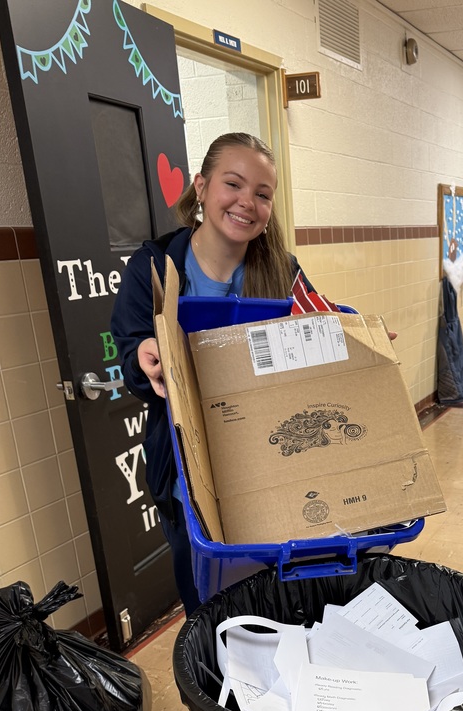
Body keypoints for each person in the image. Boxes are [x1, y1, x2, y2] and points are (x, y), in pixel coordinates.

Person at [111, 132, 318, 614]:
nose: (247, 202)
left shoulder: (283, 271)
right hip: (187, 472)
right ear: (201, 188)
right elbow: (131, 358)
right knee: (209, 607)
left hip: (270, 462)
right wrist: (144, 355)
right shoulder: (154, 268)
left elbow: (314, 335)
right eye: (233, 184)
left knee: (277, 602)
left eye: (262, 194)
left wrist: (355, 347)